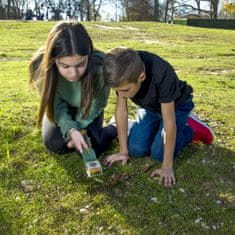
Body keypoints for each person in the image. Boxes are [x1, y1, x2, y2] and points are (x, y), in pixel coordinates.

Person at [103, 47, 214, 187]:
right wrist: (123, 152)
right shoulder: (124, 70)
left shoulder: (162, 74)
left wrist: (167, 167)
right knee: (136, 149)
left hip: (175, 108)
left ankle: (190, 129)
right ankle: (153, 127)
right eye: (117, 91)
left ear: (141, 77)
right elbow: (121, 110)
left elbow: (169, 122)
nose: (122, 95)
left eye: (125, 90)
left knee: (158, 154)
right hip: (150, 108)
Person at [29, 21, 117, 156]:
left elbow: (97, 103)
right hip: (61, 108)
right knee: (54, 143)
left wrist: (79, 129)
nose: (74, 74)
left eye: (81, 65)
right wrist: (71, 130)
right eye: (65, 66)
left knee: (94, 145)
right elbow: (55, 106)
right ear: (53, 60)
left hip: (89, 109)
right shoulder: (40, 67)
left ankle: (115, 125)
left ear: (88, 55)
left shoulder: (101, 67)